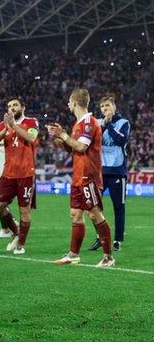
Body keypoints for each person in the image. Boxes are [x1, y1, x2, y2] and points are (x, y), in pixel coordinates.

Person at [46, 88, 115, 268]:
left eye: (69, 101)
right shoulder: (78, 124)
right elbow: (75, 148)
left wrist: (63, 135)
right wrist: (61, 140)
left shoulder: (89, 122)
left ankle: (108, 257)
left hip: (88, 176)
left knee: (94, 214)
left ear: (75, 102)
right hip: (78, 176)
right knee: (75, 215)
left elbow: (82, 148)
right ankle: (73, 254)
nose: (68, 104)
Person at [0, 98, 39, 254]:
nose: (12, 108)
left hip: (26, 173)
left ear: (22, 107)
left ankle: (20, 244)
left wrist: (14, 126)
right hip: (8, 173)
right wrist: (6, 128)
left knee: (24, 210)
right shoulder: (2, 125)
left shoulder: (31, 122)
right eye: (9, 106)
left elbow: (31, 138)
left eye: (15, 105)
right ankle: (16, 232)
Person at [88, 96, 130, 252]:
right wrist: (103, 124)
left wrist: (109, 124)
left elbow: (121, 140)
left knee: (119, 207)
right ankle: (101, 237)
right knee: (92, 205)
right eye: (102, 106)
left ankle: (118, 240)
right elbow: (92, 141)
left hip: (118, 170)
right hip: (100, 171)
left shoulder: (123, 123)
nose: (104, 109)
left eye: (107, 106)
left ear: (114, 107)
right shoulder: (97, 124)